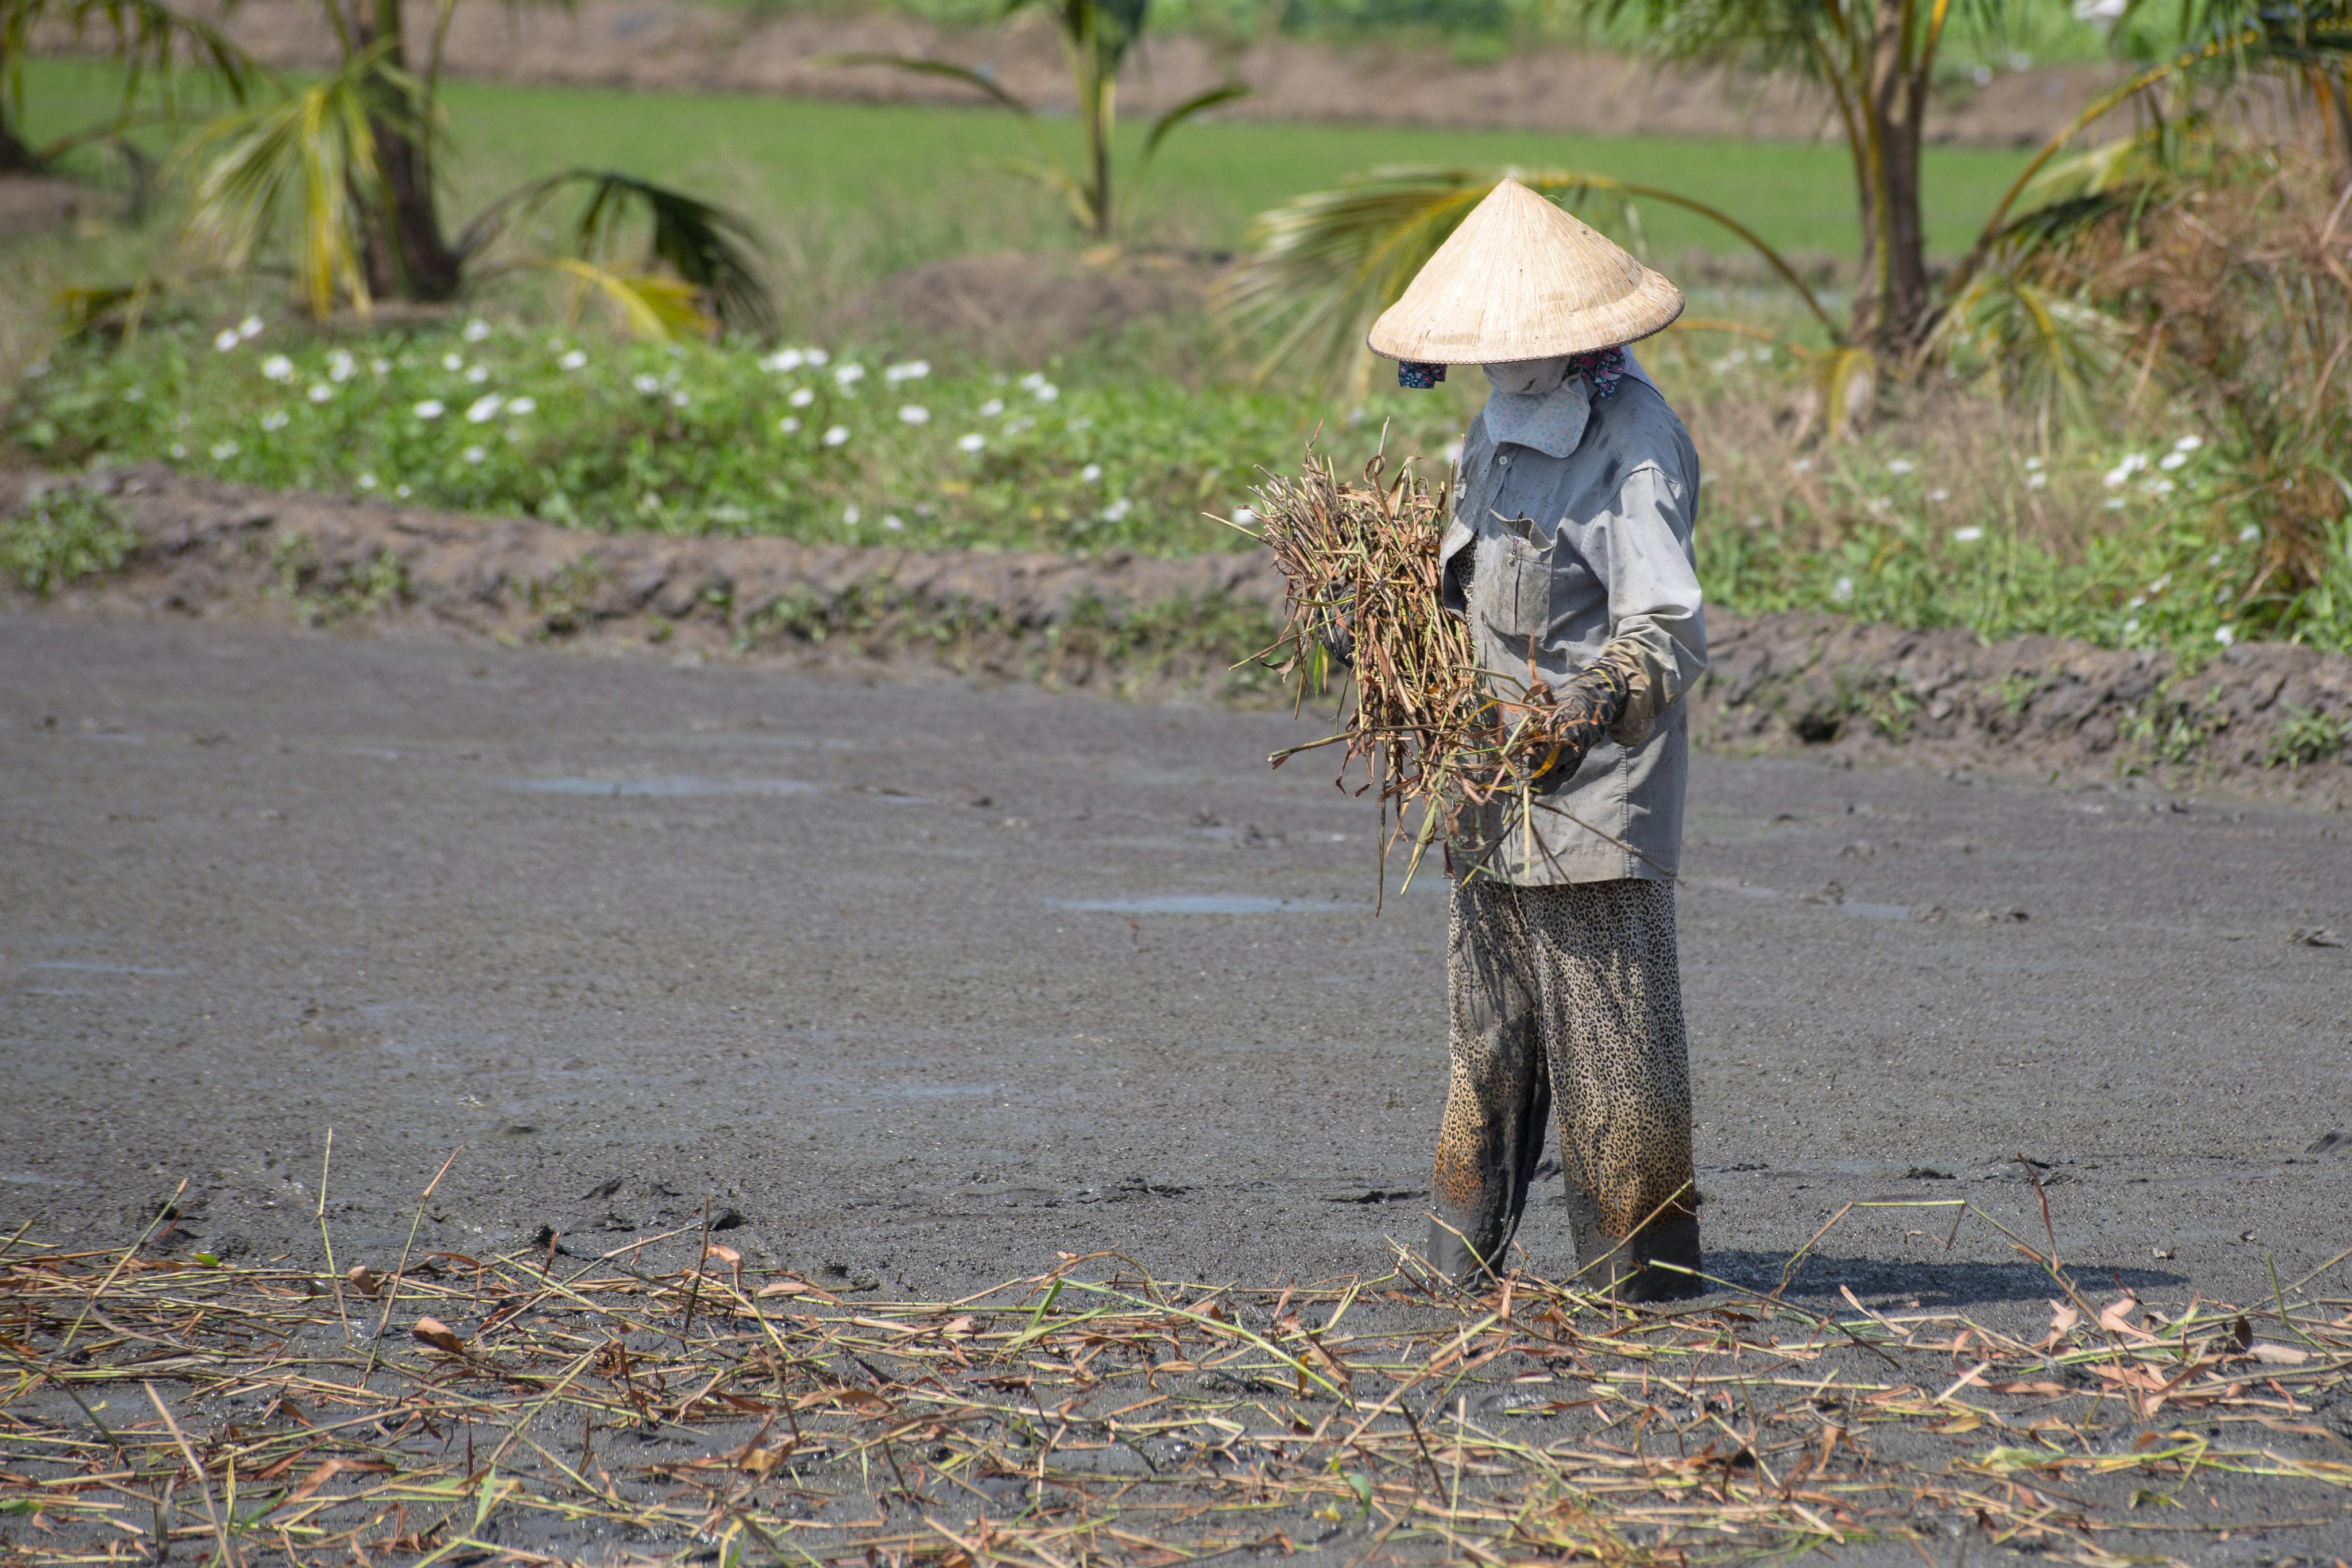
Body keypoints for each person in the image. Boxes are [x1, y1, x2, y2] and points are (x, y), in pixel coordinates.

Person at [1369, 178, 1706, 1302]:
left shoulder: (1634, 447)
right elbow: (1466, 586)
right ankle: (1453, 1268)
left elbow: (1663, 631)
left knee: (1611, 1065)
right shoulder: (1494, 428)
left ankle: (1641, 1287)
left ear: (1574, 339)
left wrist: (1579, 711)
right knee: (1484, 1046)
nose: (1499, 368)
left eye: (1519, 349)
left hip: (1591, 795)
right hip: (1482, 788)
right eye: (1484, 354)